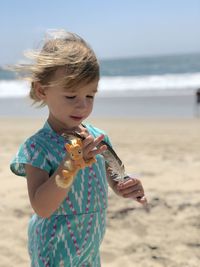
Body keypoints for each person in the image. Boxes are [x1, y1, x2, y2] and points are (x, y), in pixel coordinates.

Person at [10, 30, 147, 267]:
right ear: (43, 90)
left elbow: (115, 176)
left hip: (91, 241)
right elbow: (42, 207)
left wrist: (127, 186)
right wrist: (70, 165)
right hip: (53, 245)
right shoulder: (37, 147)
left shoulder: (97, 138)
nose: (82, 105)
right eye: (71, 95)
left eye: (90, 95)